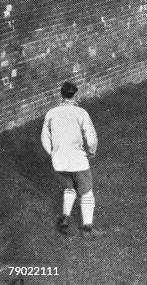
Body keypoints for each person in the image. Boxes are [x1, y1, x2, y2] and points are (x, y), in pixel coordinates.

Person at [41, 81, 100, 237]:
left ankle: (65, 218)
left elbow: (44, 138)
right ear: (75, 95)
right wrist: (92, 151)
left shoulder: (51, 113)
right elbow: (91, 137)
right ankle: (87, 229)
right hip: (77, 161)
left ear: (61, 94)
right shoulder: (81, 113)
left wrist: (53, 154)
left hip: (59, 162)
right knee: (87, 193)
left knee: (70, 188)